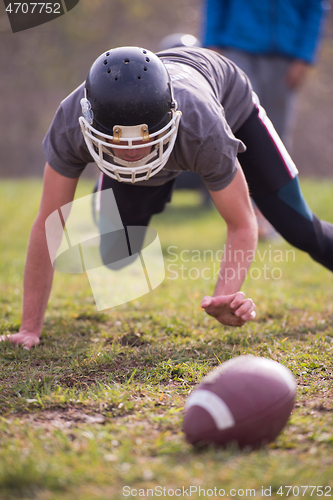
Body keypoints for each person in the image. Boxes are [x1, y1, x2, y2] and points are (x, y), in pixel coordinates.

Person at [2, 45, 333, 350]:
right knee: (116, 252)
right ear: (91, 123)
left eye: (144, 140)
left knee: (298, 226)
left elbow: (242, 222)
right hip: (176, 136)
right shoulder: (69, 123)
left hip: (230, 104)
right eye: (119, 142)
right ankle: (144, 188)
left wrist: (224, 296)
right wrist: (29, 328)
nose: (132, 151)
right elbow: (50, 226)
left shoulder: (202, 128)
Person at [202, 0, 326, 145]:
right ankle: (230, 166)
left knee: (275, 131)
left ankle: (274, 167)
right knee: (237, 118)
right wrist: (211, 44)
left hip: (284, 56)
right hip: (237, 49)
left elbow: (314, 8)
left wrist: (304, 57)